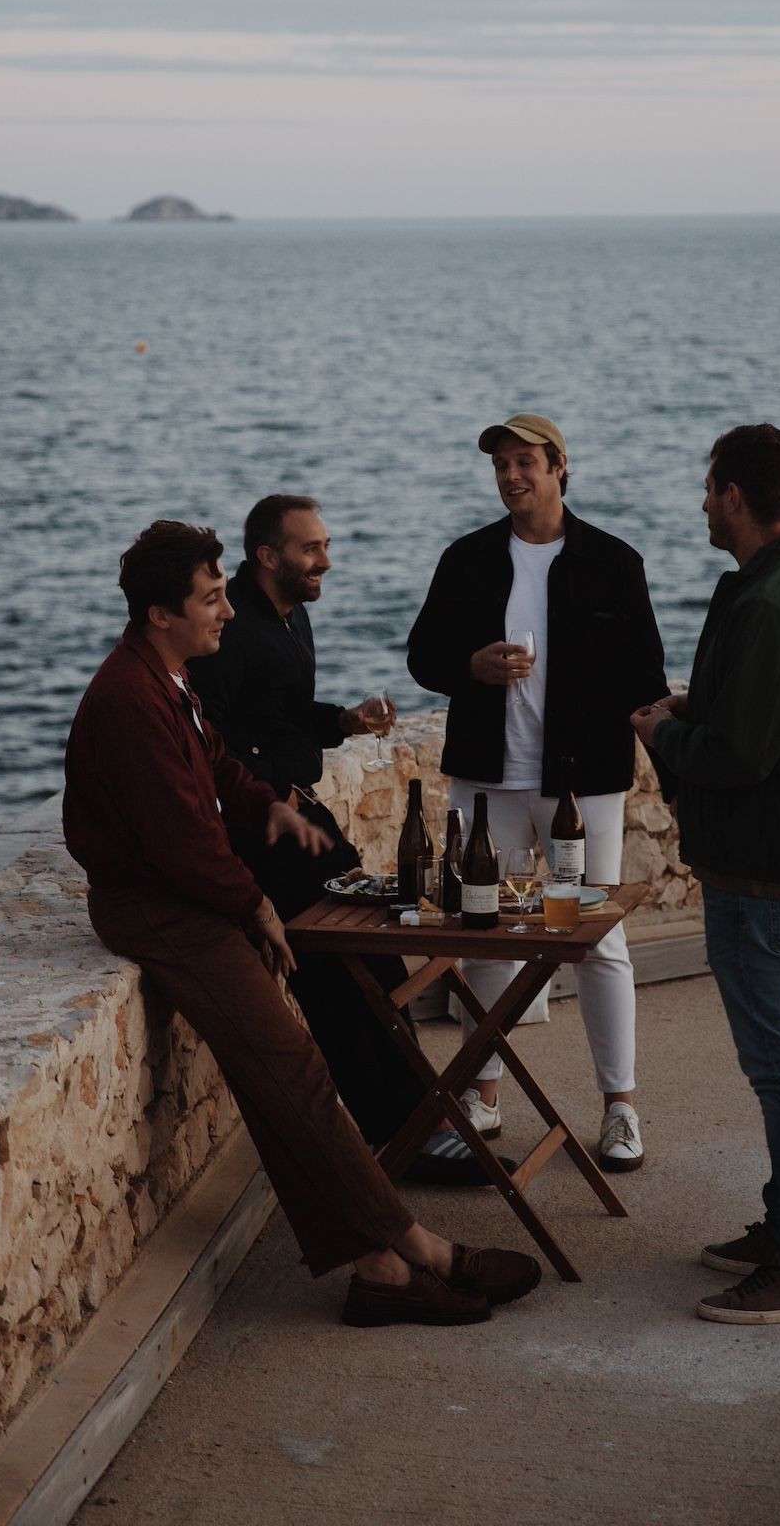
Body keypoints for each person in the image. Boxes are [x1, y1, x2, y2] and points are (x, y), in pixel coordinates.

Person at [63, 519, 541, 1327]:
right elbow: (183, 841)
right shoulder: (130, 700)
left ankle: (382, 1268)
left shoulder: (164, 679)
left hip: (184, 900)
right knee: (295, 1073)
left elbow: (219, 767)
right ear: (159, 613)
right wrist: (256, 907)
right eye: (211, 599)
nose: (226, 612)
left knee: (284, 1081)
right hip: (162, 911)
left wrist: (272, 810)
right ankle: (416, 1254)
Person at [188, 494, 498, 1184]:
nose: (325, 560)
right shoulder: (229, 630)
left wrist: (345, 721)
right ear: (267, 557)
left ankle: (421, 1115)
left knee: (378, 955)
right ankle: (398, 1138)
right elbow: (216, 744)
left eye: (325, 545)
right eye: (310, 549)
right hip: (264, 828)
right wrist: (272, 797)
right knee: (337, 976)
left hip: (304, 815)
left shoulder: (292, 617)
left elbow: (287, 715)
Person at [631, 424, 780, 1325]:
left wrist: (664, 734)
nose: (700, 502)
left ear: (735, 495)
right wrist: (706, 708)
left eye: (708, 488)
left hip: (765, 876)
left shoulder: (771, 603)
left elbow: (740, 756)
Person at [407, 413, 669, 1172]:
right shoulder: (466, 560)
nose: (511, 476)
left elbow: (645, 679)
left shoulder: (615, 563)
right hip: (487, 781)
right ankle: (483, 1094)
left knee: (598, 942)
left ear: (560, 467)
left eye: (525, 462)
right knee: (482, 937)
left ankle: (620, 1109)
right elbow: (424, 655)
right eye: (501, 465)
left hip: (584, 789)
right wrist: (472, 667)